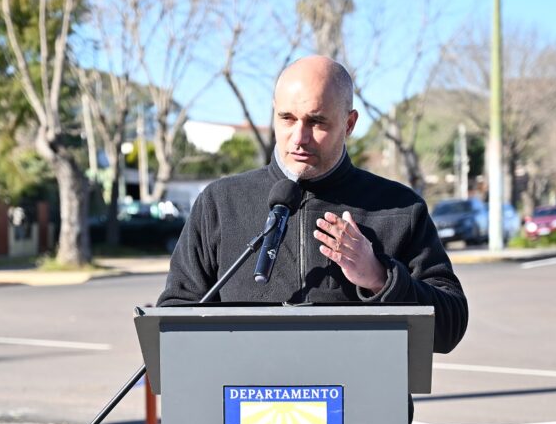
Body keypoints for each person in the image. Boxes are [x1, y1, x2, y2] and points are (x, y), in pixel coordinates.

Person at [157, 55, 467, 354]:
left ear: (349, 124)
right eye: (287, 119)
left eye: (316, 122)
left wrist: (379, 277)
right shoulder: (220, 202)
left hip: (360, 390)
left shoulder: (400, 207)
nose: (299, 137)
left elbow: (449, 328)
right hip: (245, 390)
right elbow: (175, 318)